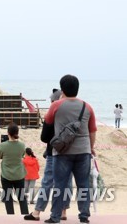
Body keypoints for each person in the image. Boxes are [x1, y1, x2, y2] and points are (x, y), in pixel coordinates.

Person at [43, 74, 97, 224]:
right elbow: (92, 131)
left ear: (62, 89)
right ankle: (84, 216)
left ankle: (55, 217)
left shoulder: (56, 105)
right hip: (83, 151)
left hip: (62, 152)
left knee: (59, 184)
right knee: (83, 184)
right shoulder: (87, 107)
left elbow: (47, 126)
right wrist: (91, 148)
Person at [24, 89, 71, 222]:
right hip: (70, 152)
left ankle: (37, 212)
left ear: (54, 101)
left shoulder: (53, 113)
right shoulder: (70, 112)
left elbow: (45, 137)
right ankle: (63, 211)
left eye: (51, 101)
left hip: (54, 152)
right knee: (66, 183)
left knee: (47, 182)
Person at [0, 122, 29, 215]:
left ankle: (11, 217)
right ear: (17, 132)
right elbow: (22, 155)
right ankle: (25, 216)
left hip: (6, 174)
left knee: (8, 198)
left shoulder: (3, 145)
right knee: (21, 197)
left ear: (8, 132)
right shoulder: (22, 145)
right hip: (19, 174)